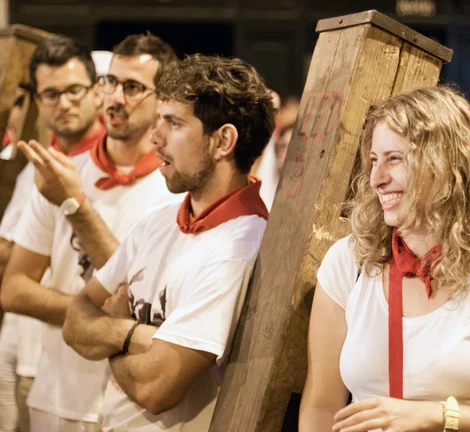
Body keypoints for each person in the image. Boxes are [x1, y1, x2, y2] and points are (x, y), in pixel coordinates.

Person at [299, 86, 470, 432]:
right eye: (373, 161)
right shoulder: (348, 261)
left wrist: (441, 414)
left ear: (445, 164)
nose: (376, 178)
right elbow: (322, 406)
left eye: (394, 159)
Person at [62, 53, 275, 431]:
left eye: (173, 123)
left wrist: (115, 323)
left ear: (222, 140)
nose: (155, 137)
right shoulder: (160, 218)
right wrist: (134, 335)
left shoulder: (241, 245)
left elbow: (156, 389)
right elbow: (75, 319)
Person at [0, 33, 178, 432]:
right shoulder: (62, 174)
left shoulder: (174, 190)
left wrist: (74, 206)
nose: (116, 98)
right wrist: (92, 316)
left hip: (137, 411)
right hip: (57, 395)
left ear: (163, 98)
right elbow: (13, 290)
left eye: (132, 87)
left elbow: (139, 301)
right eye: (110, 83)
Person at [0, 35, 106, 432]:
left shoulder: (113, 164)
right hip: (33, 351)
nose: (64, 103)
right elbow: (12, 272)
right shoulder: (40, 163)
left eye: (74, 91)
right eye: (51, 94)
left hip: (88, 372)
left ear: (96, 90)